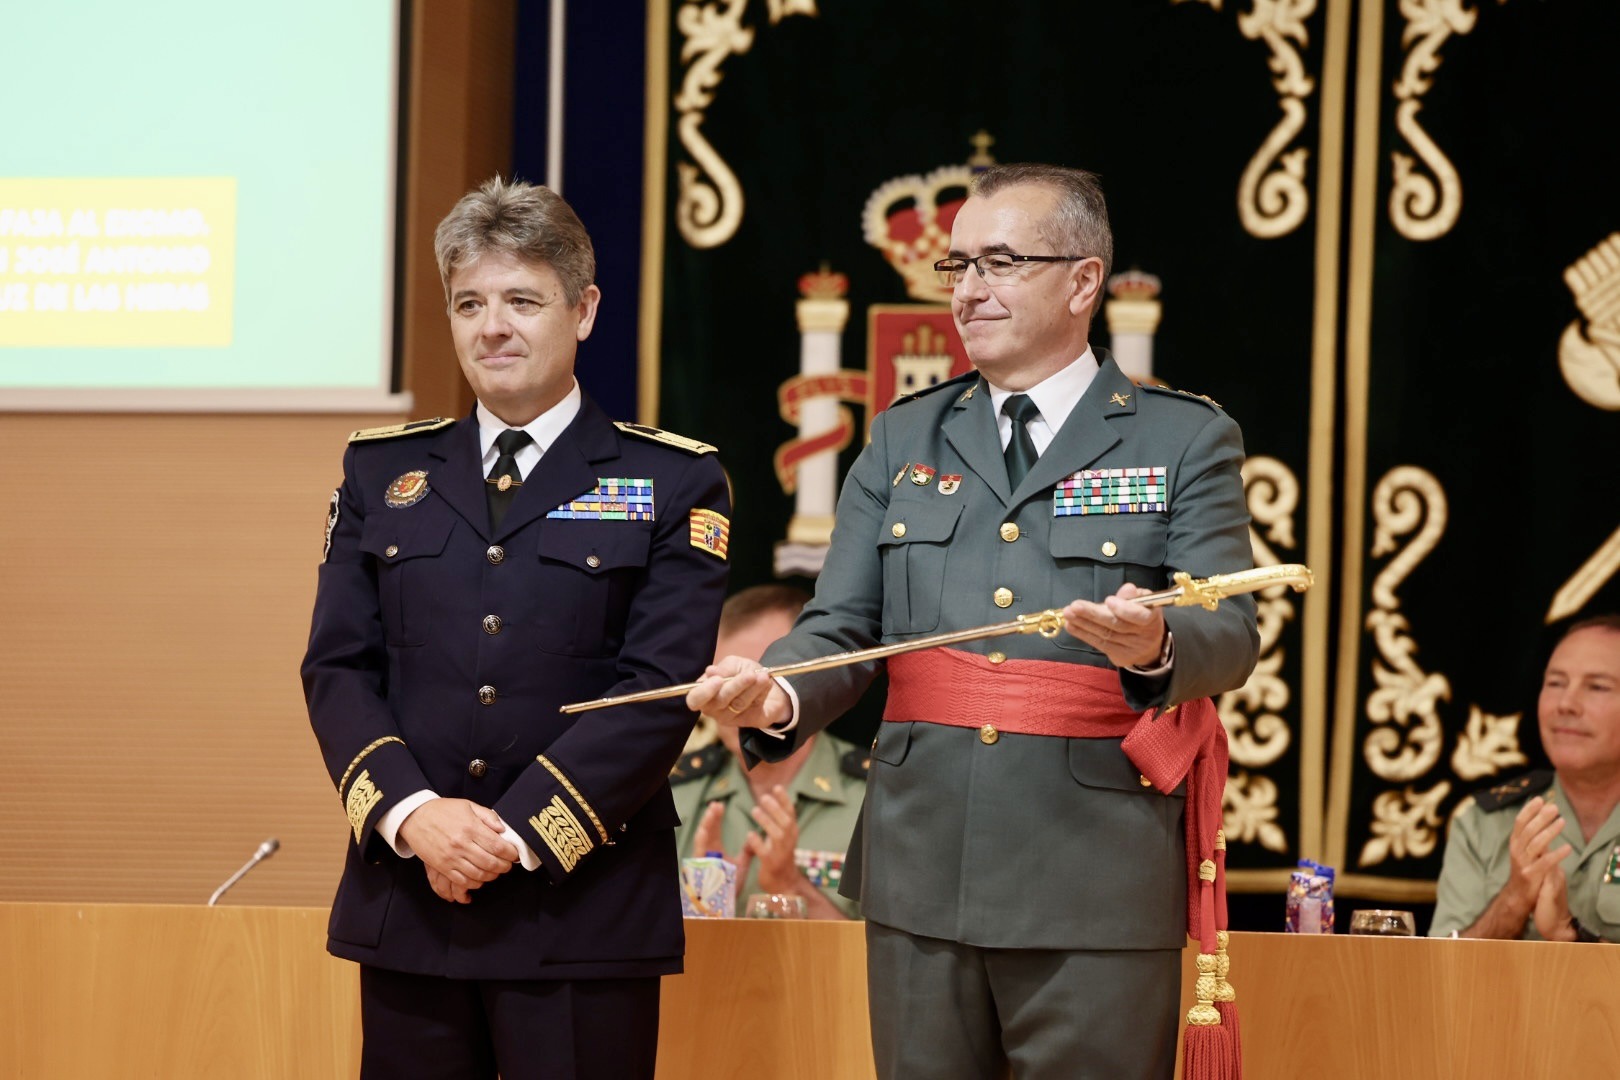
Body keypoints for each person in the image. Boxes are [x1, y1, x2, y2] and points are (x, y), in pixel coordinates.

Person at [687, 163, 1260, 1080]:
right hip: (923, 864)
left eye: (1000, 262)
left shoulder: (1178, 438)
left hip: (1093, 872)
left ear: (1083, 282)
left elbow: (1231, 628)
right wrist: (778, 691)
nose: (968, 290)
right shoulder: (902, 435)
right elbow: (841, 626)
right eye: (957, 268)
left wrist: (1157, 645)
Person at [301, 176, 732, 1079]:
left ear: (583, 310)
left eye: (521, 301)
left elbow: (657, 689)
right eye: (470, 303)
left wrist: (514, 835)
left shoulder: (671, 481)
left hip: (579, 910)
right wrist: (416, 818)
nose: (491, 327)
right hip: (412, 902)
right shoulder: (383, 471)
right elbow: (338, 667)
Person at [671, 584, 866, 919]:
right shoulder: (677, 796)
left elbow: (888, 960)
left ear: (811, 680)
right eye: (724, 680)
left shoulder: (874, 795)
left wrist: (790, 886)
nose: (735, 700)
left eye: (757, 679)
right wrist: (709, 900)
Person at [1431, 615, 1620, 942]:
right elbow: (1441, 978)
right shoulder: (1485, 823)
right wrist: (1513, 901)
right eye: (1556, 683)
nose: (1566, 704)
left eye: (1597, 687)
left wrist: (1571, 935)